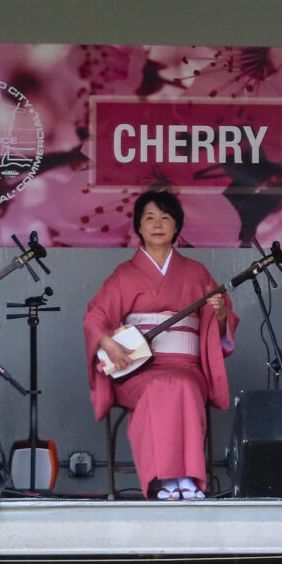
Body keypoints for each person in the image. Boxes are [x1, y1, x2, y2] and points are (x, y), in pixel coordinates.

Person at [84, 190, 237, 500]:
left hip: (186, 366)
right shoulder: (124, 275)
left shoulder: (196, 273)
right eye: (149, 218)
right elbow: (95, 317)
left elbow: (218, 326)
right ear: (138, 227)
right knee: (162, 387)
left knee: (180, 384)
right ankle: (163, 479)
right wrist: (109, 345)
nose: (157, 224)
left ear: (176, 226)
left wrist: (219, 315)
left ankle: (188, 478)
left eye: (165, 217)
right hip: (139, 371)